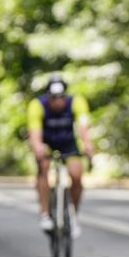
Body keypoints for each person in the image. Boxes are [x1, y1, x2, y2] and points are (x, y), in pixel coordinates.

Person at [27, 73, 95, 237]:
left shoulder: (76, 102)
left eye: (60, 98)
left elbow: (83, 128)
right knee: (43, 167)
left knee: (76, 175)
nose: (57, 102)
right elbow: (35, 135)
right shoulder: (37, 105)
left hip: (67, 143)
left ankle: (72, 215)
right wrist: (38, 148)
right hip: (47, 143)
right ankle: (45, 214)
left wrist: (87, 145)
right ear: (48, 97)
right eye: (53, 98)